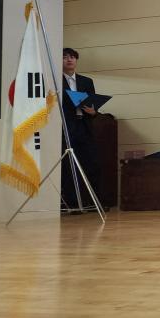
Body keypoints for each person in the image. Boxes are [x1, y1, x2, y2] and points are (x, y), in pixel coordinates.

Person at [60, 47, 101, 212]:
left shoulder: (86, 81)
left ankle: (93, 202)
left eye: (72, 57)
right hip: (66, 127)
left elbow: (93, 104)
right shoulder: (56, 80)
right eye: (65, 57)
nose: (69, 60)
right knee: (68, 166)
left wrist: (93, 112)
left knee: (92, 163)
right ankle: (72, 204)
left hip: (84, 125)